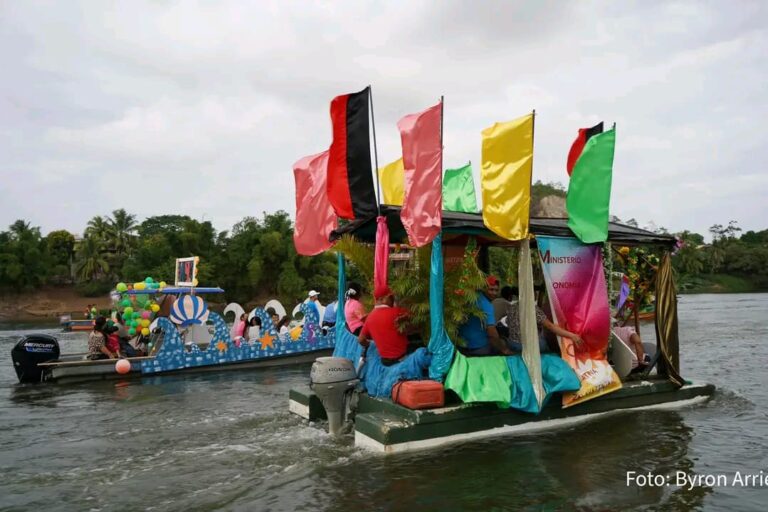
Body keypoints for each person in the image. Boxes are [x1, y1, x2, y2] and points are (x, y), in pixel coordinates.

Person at [501, 300, 583, 353]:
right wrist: (572, 335)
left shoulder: (511, 307)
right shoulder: (533, 308)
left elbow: (508, 323)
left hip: (513, 345)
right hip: (531, 347)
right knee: (546, 347)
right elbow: (550, 326)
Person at [357, 285, 411, 366]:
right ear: (383, 299)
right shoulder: (397, 312)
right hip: (402, 359)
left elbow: (361, 339)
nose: (393, 300)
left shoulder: (369, 317)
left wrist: (369, 343)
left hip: (385, 362)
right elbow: (417, 315)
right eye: (391, 297)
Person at [458, 276, 511, 356]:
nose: (494, 293)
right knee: (503, 342)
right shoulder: (487, 305)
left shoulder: (471, 297)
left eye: (496, 290)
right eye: (491, 289)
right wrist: (505, 350)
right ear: (484, 288)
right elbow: (492, 333)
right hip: (478, 348)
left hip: (461, 347)